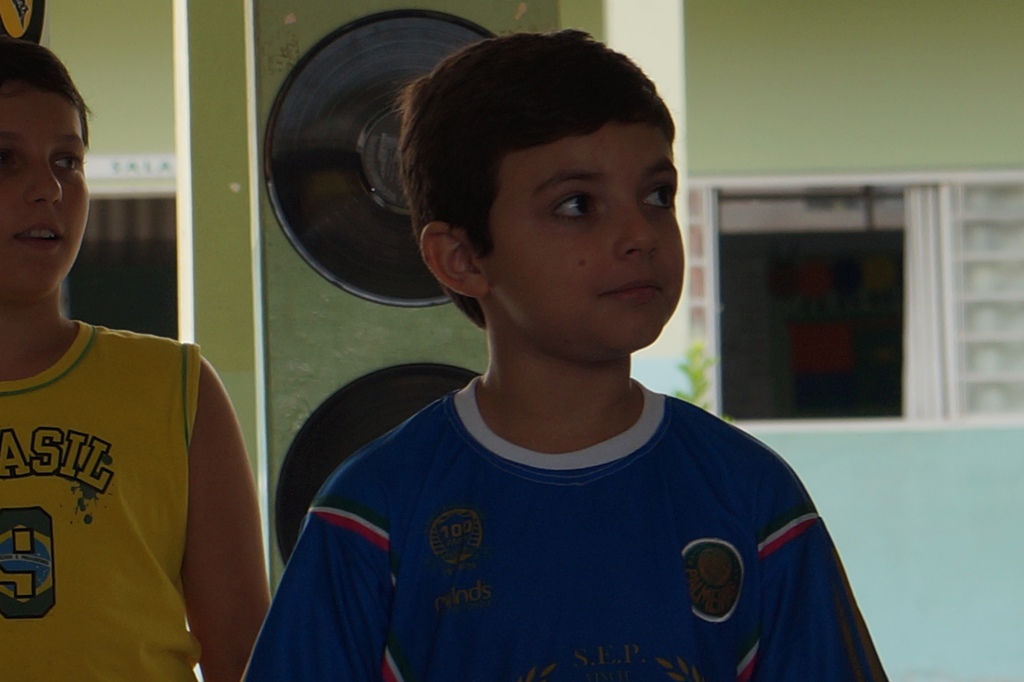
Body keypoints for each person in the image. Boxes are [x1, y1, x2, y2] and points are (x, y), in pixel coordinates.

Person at [245, 29, 888, 681]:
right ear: (461, 258)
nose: (639, 234)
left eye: (657, 195)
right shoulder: (374, 513)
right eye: (577, 205)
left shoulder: (751, 497)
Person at [0, 37, 269, 681]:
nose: (48, 187)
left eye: (68, 160)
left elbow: (247, 660)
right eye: (4, 159)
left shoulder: (177, 389)